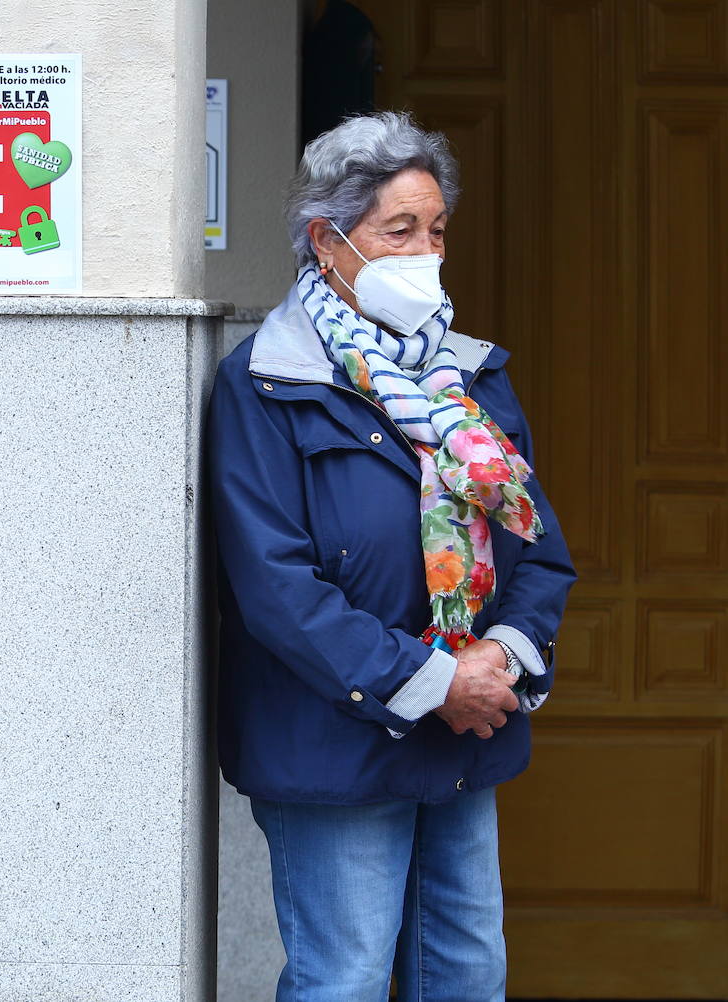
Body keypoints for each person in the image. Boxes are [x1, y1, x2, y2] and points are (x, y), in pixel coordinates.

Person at [208, 111, 577, 1001]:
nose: (425, 251)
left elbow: (540, 548)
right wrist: (431, 682)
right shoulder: (267, 383)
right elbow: (276, 589)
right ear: (326, 240)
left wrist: (499, 658)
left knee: (465, 977)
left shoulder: (472, 376)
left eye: (437, 229)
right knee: (345, 980)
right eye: (398, 230)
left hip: (466, 734)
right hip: (334, 746)